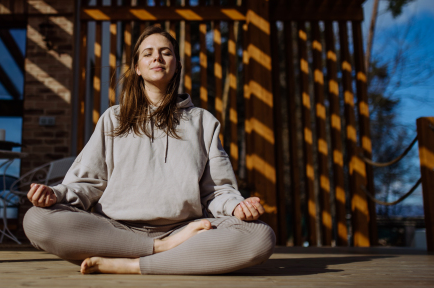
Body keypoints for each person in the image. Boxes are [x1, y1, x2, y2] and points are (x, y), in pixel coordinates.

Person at [23, 26, 275, 275]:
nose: (157, 57)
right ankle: (160, 250)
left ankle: (133, 264)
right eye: (148, 53)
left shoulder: (202, 121)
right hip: (114, 230)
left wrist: (236, 207)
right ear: (137, 67)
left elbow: (217, 191)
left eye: (166, 52)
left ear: (176, 65)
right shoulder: (113, 118)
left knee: (259, 235)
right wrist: (55, 194)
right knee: (36, 220)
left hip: (185, 230)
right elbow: (88, 182)